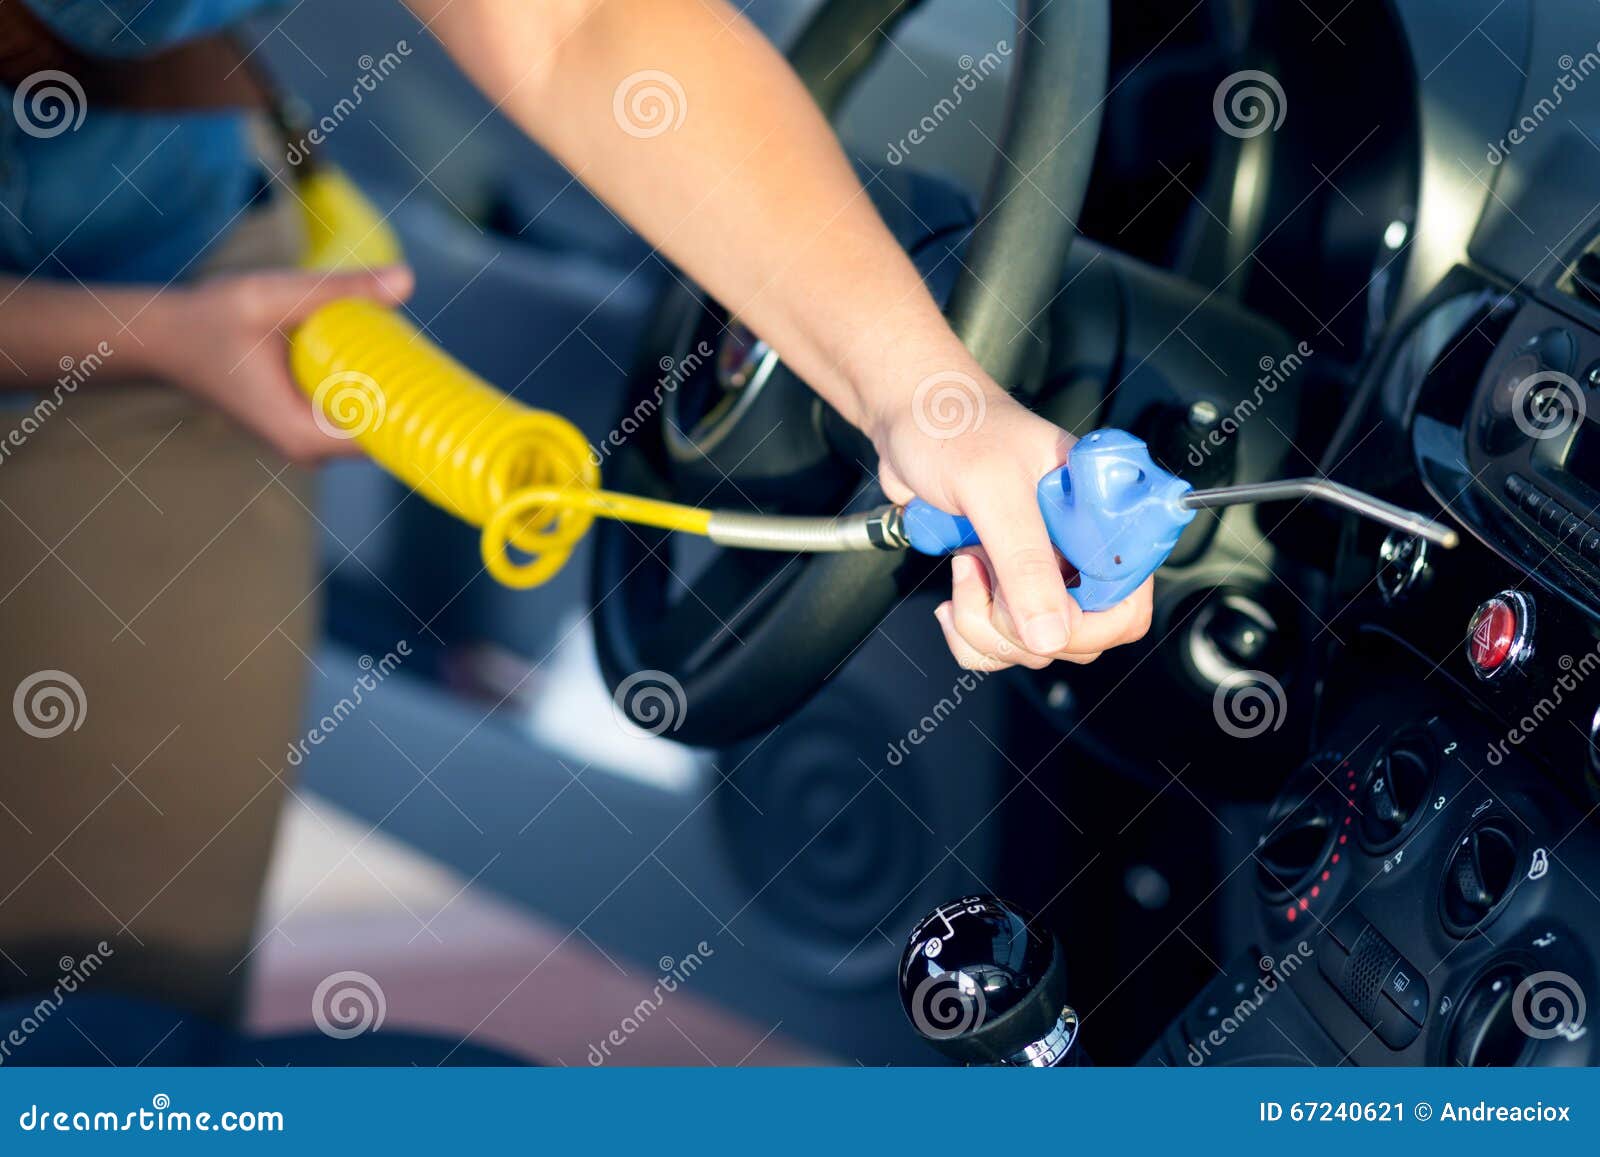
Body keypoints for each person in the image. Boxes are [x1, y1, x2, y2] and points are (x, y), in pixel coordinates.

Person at [0, 0, 1153, 1020]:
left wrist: (924, 394)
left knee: (122, 1003)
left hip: (161, 239)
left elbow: (578, 25)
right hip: (122, 324)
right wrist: (154, 343)